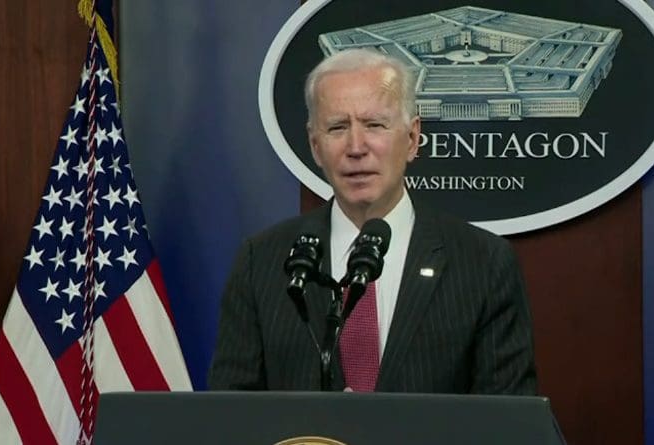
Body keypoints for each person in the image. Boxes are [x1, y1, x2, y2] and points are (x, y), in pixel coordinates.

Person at [209, 48, 536, 394]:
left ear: (412, 139)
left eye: (374, 125)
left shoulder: (483, 263)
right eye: (337, 127)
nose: (356, 146)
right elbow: (231, 415)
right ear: (315, 145)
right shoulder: (262, 261)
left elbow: (508, 420)